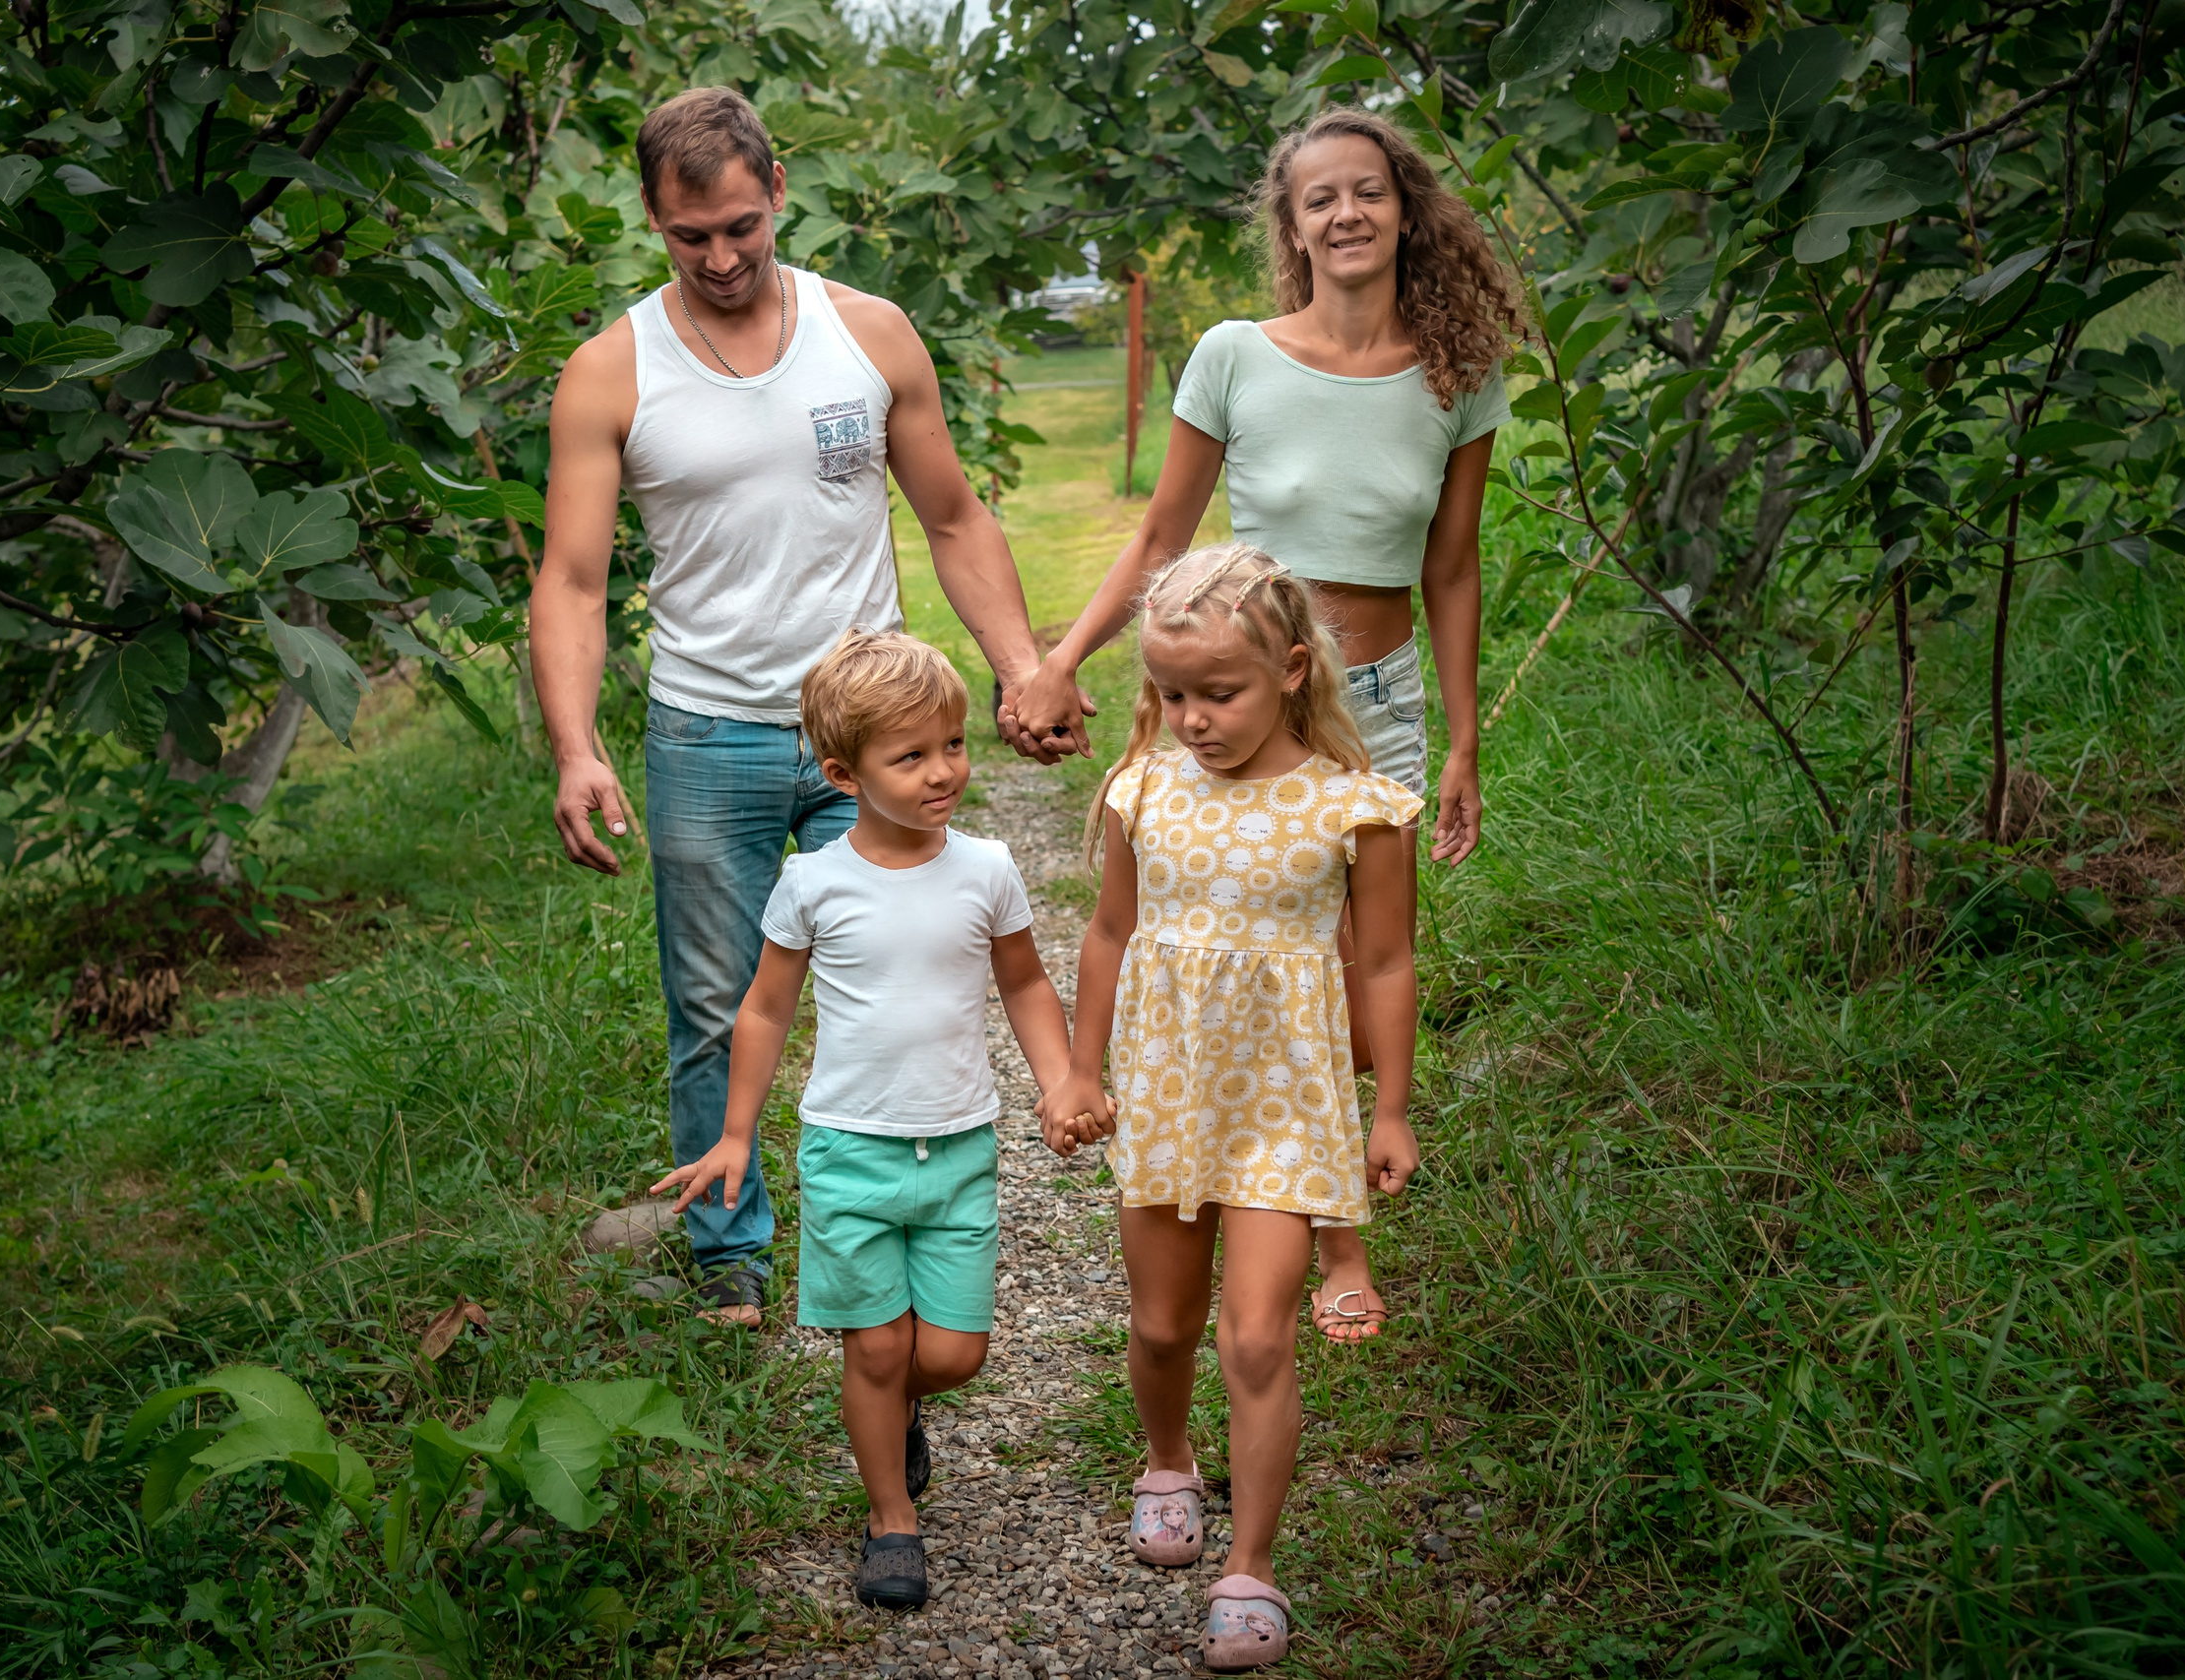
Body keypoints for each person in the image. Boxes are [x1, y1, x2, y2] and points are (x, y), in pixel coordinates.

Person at [533, 88, 1089, 1326]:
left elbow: (952, 516)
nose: (723, 258)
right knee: (718, 1001)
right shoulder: (611, 369)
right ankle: (727, 1247)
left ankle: (895, 1224)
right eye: (691, 238)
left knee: (899, 976)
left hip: (874, 731)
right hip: (704, 729)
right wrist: (576, 747)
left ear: (778, 187)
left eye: (741, 225)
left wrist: (1020, 666)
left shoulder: (869, 334)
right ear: (652, 222)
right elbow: (571, 580)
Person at [1007, 106, 1527, 1345]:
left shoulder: (1456, 372)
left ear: (1404, 206)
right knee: (1226, 940)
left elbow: (1451, 568)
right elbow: (1160, 536)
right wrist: (1058, 660)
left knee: (1352, 971)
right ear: (1290, 227)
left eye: (1367, 192)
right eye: (1318, 201)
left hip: (1379, 706)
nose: (1345, 215)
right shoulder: (1237, 353)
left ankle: (1318, 1202)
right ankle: (1300, 1218)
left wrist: (1459, 738)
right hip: (1232, 701)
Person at [1041, 545, 1421, 1672]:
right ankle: (1167, 1460)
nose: (1192, 719)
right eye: (1171, 695)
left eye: (1220, 693)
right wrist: (1077, 1069)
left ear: (1294, 670)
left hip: (1288, 1109)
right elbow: (1108, 934)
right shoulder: (1143, 787)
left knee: (1256, 1335)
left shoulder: (1355, 810)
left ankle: (1250, 1566)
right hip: (1168, 1095)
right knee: (1163, 1325)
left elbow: (1386, 965)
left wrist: (1387, 1109)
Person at [656, 630, 1071, 1611]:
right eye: (912, 756)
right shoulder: (813, 883)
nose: (944, 774)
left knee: (951, 1354)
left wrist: (1059, 1081)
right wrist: (733, 1135)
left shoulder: (986, 869)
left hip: (959, 1146)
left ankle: (892, 1410)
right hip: (849, 1150)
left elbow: (1024, 981)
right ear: (843, 774)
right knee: (875, 1349)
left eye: (955, 746)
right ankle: (891, 1518)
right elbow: (761, 1011)